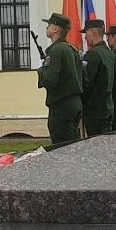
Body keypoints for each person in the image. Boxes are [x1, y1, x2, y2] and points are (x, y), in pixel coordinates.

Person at [36, 13, 84, 148]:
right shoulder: (72, 50)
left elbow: (50, 80)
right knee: (73, 146)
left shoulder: (55, 50)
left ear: (56, 28)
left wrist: (41, 69)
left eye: (49, 25)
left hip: (61, 105)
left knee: (61, 149)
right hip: (74, 103)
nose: (47, 27)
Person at [80, 18, 116, 137]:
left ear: (93, 32)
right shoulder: (109, 53)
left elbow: (86, 81)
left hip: (95, 109)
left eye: (86, 33)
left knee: (96, 147)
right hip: (108, 106)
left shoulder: (93, 54)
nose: (85, 37)